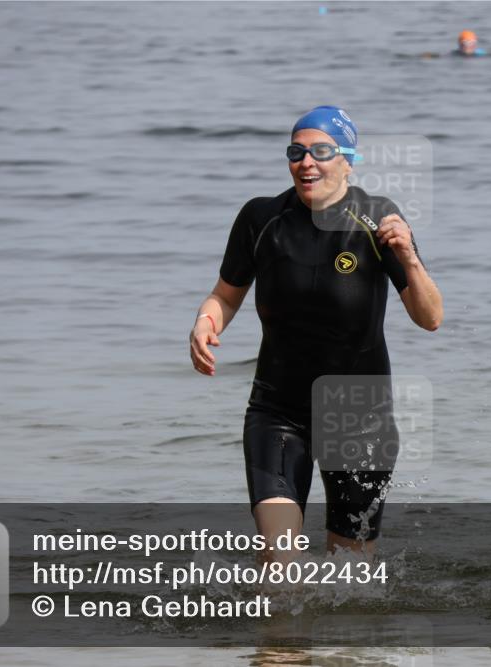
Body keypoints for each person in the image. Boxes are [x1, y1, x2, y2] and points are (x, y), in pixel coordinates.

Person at [188, 105, 443, 561]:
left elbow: (430, 318)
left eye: (321, 151)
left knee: (350, 573)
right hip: (277, 412)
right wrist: (206, 322)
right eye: (296, 152)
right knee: (279, 557)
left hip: (361, 418)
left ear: (348, 160)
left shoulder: (377, 218)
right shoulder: (261, 218)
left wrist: (408, 258)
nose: (306, 162)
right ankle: (280, 611)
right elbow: (225, 296)